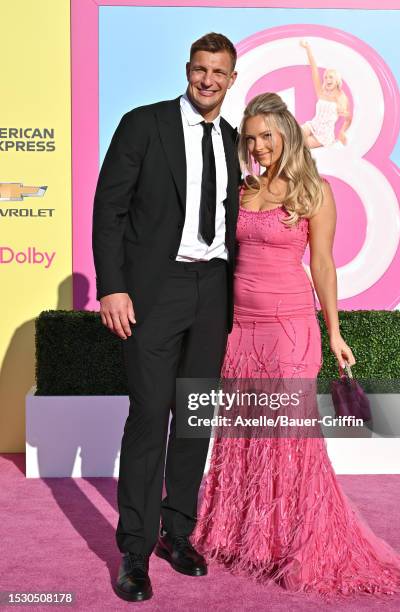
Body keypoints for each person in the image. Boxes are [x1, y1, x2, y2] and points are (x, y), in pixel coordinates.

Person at [193, 93, 400, 596]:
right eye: (250, 138)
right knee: (245, 434)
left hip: (289, 327)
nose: (257, 146)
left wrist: (335, 331)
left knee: (290, 441)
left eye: (266, 136)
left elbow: (322, 264)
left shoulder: (313, 191)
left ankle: (298, 544)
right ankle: (249, 540)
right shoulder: (243, 188)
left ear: (287, 134)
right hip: (240, 328)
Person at [92, 33, 239, 602]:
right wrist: (113, 287)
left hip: (212, 292)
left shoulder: (231, 140)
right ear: (188, 70)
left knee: (194, 418)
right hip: (155, 293)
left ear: (231, 78)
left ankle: (177, 533)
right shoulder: (143, 124)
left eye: (218, 72)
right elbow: (111, 208)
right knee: (151, 416)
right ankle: (134, 547)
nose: (207, 79)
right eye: (200, 69)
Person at [299, 40, 352, 148]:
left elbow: (348, 118)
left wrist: (342, 132)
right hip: (313, 125)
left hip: (325, 135)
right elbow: (314, 68)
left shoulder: (341, 98)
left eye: (330, 77)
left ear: (337, 80)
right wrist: (308, 48)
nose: (327, 79)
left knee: (301, 144)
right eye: (326, 77)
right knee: (294, 135)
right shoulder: (321, 93)